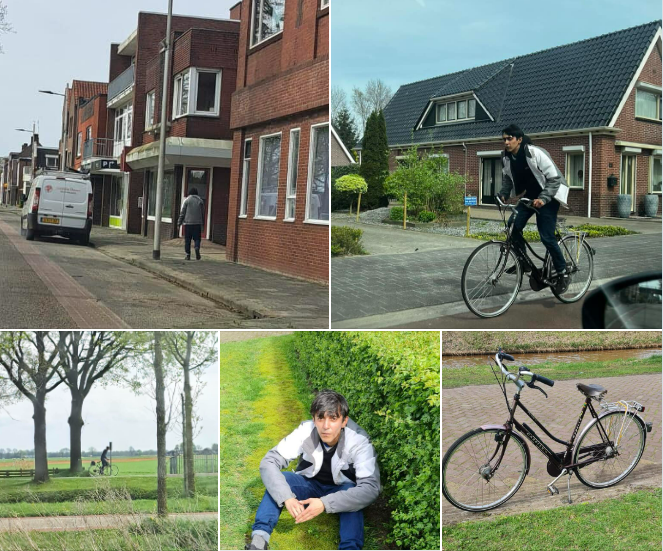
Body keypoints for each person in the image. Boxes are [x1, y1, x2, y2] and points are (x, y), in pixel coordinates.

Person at [247, 390, 380, 551]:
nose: (325, 426)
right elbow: (269, 462)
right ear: (314, 419)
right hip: (309, 484)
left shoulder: (359, 441)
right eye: (320, 418)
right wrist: (287, 497)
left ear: (344, 421)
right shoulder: (306, 430)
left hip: (342, 489)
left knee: (354, 498)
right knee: (281, 480)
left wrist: (325, 503)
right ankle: (259, 540)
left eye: (333, 419)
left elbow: (370, 488)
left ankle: (350, 548)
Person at [498, 124, 570, 285]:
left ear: (519, 139)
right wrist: (504, 193)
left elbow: (554, 178)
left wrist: (543, 198)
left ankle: (562, 271)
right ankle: (523, 262)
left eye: (510, 139)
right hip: (531, 196)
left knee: (546, 236)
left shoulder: (535, 152)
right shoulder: (506, 157)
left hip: (550, 195)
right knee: (512, 226)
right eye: (504, 139)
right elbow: (508, 179)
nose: (506, 142)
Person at [177, 188, 205, 261]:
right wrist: (202, 224)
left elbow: (182, 213)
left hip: (188, 224)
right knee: (197, 238)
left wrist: (179, 223)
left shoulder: (187, 200)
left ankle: (188, 255)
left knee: (187, 240)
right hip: (197, 224)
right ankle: (196, 247)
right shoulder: (200, 201)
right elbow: (203, 213)